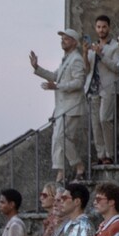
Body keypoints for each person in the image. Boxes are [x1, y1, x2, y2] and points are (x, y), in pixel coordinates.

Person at [31, 29, 92, 183]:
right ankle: (60, 171)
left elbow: (79, 83)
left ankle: (78, 166)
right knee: (57, 138)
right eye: (62, 38)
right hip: (62, 107)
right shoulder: (67, 59)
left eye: (66, 39)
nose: (62, 40)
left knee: (61, 138)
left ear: (74, 42)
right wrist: (37, 68)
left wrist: (57, 87)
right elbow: (54, 76)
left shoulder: (76, 59)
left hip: (72, 106)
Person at [89, 15, 119, 165]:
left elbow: (118, 68)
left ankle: (110, 154)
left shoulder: (115, 46)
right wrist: (86, 54)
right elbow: (87, 69)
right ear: (95, 28)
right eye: (98, 27)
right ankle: (101, 154)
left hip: (109, 87)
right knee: (95, 123)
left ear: (108, 28)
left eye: (104, 27)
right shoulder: (93, 47)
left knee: (105, 119)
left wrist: (101, 55)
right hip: (93, 88)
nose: (101, 30)